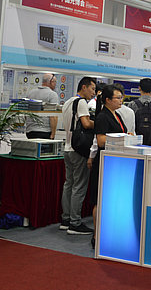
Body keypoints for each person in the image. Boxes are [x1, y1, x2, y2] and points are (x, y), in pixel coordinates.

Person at [89, 85, 127, 248]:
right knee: (99, 199)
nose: (121, 100)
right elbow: (101, 141)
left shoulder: (116, 114)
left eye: (121, 97)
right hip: (104, 161)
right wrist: (123, 138)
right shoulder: (103, 116)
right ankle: (96, 235)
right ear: (107, 100)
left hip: (115, 161)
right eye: (118, 98)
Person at [60, 76, 96, 235]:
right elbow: (86, 124)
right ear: (84, 87)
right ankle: (75, 223)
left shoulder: (68, 102)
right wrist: (99, 123)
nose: (93, 93)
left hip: (68, 148)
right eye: (92, 89)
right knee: (79, 186)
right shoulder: (81, 102)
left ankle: (66, 219)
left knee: (68, 184)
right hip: (78, 150)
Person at [25, 73, 59, 139]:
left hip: (30, 131)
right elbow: (53, 116)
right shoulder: (52, 94)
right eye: (55, 82)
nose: (55, 84)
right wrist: (53, 134)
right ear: (51, 82)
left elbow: (26, 113)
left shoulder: (30, 93)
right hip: (45, 132)